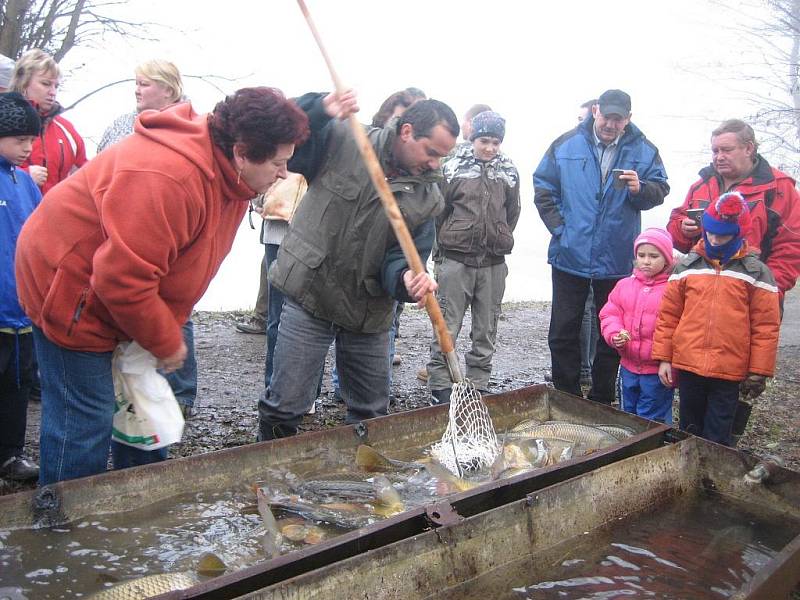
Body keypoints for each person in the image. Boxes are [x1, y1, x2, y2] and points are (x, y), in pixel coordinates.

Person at [15, 87, 309, 485]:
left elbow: (181, 264)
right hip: (70, 287)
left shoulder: (233, 178)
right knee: (86, 417)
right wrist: (165, 340)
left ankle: (137, 504)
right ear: (241, 152)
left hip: (129, 291)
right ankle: (64, 527)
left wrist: (162, 325)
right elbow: (121, 279)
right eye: (278, 162)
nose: (283, 174)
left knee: (143, 409)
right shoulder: (168, 176)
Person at [258, 91, 458, 440]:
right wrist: (318, 110)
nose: (435, 164)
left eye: (442, 157)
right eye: (432, 152)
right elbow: (283, 139)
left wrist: (406, 278)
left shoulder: (428, 198)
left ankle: (363, 484)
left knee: (371, 412)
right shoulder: (345, 139)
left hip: (369, 309)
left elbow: (404, 257)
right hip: (311, 291)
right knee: (284, 405)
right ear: (407, 131)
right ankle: (269, 478)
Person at [533, 89, 669, 404]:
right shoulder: (565, 144)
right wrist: (560, 229)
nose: (610, 123)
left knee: (614, 332)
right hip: (570, 253)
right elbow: (543, 187)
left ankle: (601, 397)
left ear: (628, 119)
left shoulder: (645, 150)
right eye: (606, 116)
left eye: (618, 118)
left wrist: (641, 190)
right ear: (596, 111)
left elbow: (660, 188)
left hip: (617, 256)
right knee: (563, 330)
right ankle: (566, 395)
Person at [95, 59, 198, 424]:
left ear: (168, 89)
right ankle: (127, 399)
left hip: (171, 237)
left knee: (173, 311)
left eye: (145, 84)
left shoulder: (190, 130)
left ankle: (181, 390)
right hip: (122, 227)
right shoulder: (122, 126)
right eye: (136, 83)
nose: (137, 90)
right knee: (128, 305)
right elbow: (98, 170)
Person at [653, 193, 780, 445]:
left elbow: (765, 327)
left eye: (723, 234)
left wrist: (757, 371)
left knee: (719, 430)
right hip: (689, 364)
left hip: (730, 369)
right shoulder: (687, 267)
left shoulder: (756, 272)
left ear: (739, 233)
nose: (714, 238)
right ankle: (688, 469)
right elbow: (668, 316)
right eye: (710, 231)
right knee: (689, 427)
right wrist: (664, 358)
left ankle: (711, 477)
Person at [426, 111, 520, 404]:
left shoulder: (509, 171)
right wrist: (443, 248)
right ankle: (441, 384)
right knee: (447, 324)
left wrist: (499, 234)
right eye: (484, 140)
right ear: (472, 138)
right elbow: (438, 211)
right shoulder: (452, 167)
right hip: (456, 259)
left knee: (486, 328)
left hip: (493, 261)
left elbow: (512, 211)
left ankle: (478, 383)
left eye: (495, 142)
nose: (489, 148)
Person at [666, 118, 800, 301]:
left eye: (727, 150)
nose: (719, 157)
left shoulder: (779, 189)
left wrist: (767, 289)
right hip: (699, 293)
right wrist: (683, 229)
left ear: (749, 148)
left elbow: (791, 247)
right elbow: (674, 233)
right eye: (715, 151)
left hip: (752, 294)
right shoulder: (701, 185)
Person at [0, 92, 42, 482]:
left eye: (32, 140)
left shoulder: (26, 183)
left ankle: (10, 455)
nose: (27, 148)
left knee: (17, 387)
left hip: (22, 310)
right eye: (19, 140)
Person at [599, 228, 675, 423]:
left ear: (667, 259)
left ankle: (654, 446)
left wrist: (668, 359)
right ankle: (630, 446)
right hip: (628, 366)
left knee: (652, 415)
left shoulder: (673, 290)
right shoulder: (625, 285)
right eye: (641, 255)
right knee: (628, 412)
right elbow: (610, 313)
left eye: (653, 256)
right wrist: (614, 333)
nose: (646, 261)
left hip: (656, 370)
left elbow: (677, 328)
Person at [10, 49, 87, 193]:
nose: (53, 91)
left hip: (55, 212)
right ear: (24, 82)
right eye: (46, 84)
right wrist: (24, 176)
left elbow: (86, 173)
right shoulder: (4, 121)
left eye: (56, 86)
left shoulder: (66, 129)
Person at [576, 98, 599, 386]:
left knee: (588, 308)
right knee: (588, 308)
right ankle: (586, 367)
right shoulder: (576, 150)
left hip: (594, 246)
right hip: (577, 242)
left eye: (583, 118)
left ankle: (585, 368)